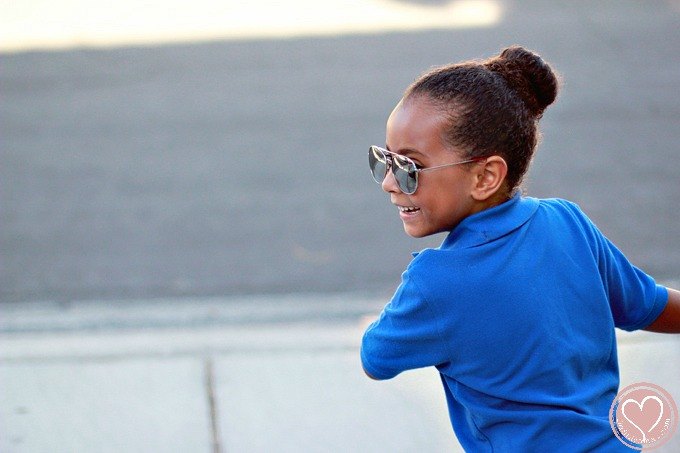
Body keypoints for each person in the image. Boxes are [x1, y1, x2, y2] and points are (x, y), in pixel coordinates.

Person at [360, 45, 680, 451]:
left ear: (485, 177)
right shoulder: (568, 222)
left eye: (409, 167)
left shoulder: (435, 282)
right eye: (385, 160)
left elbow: (377, 357)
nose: (389, 182)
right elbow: (650, 306)